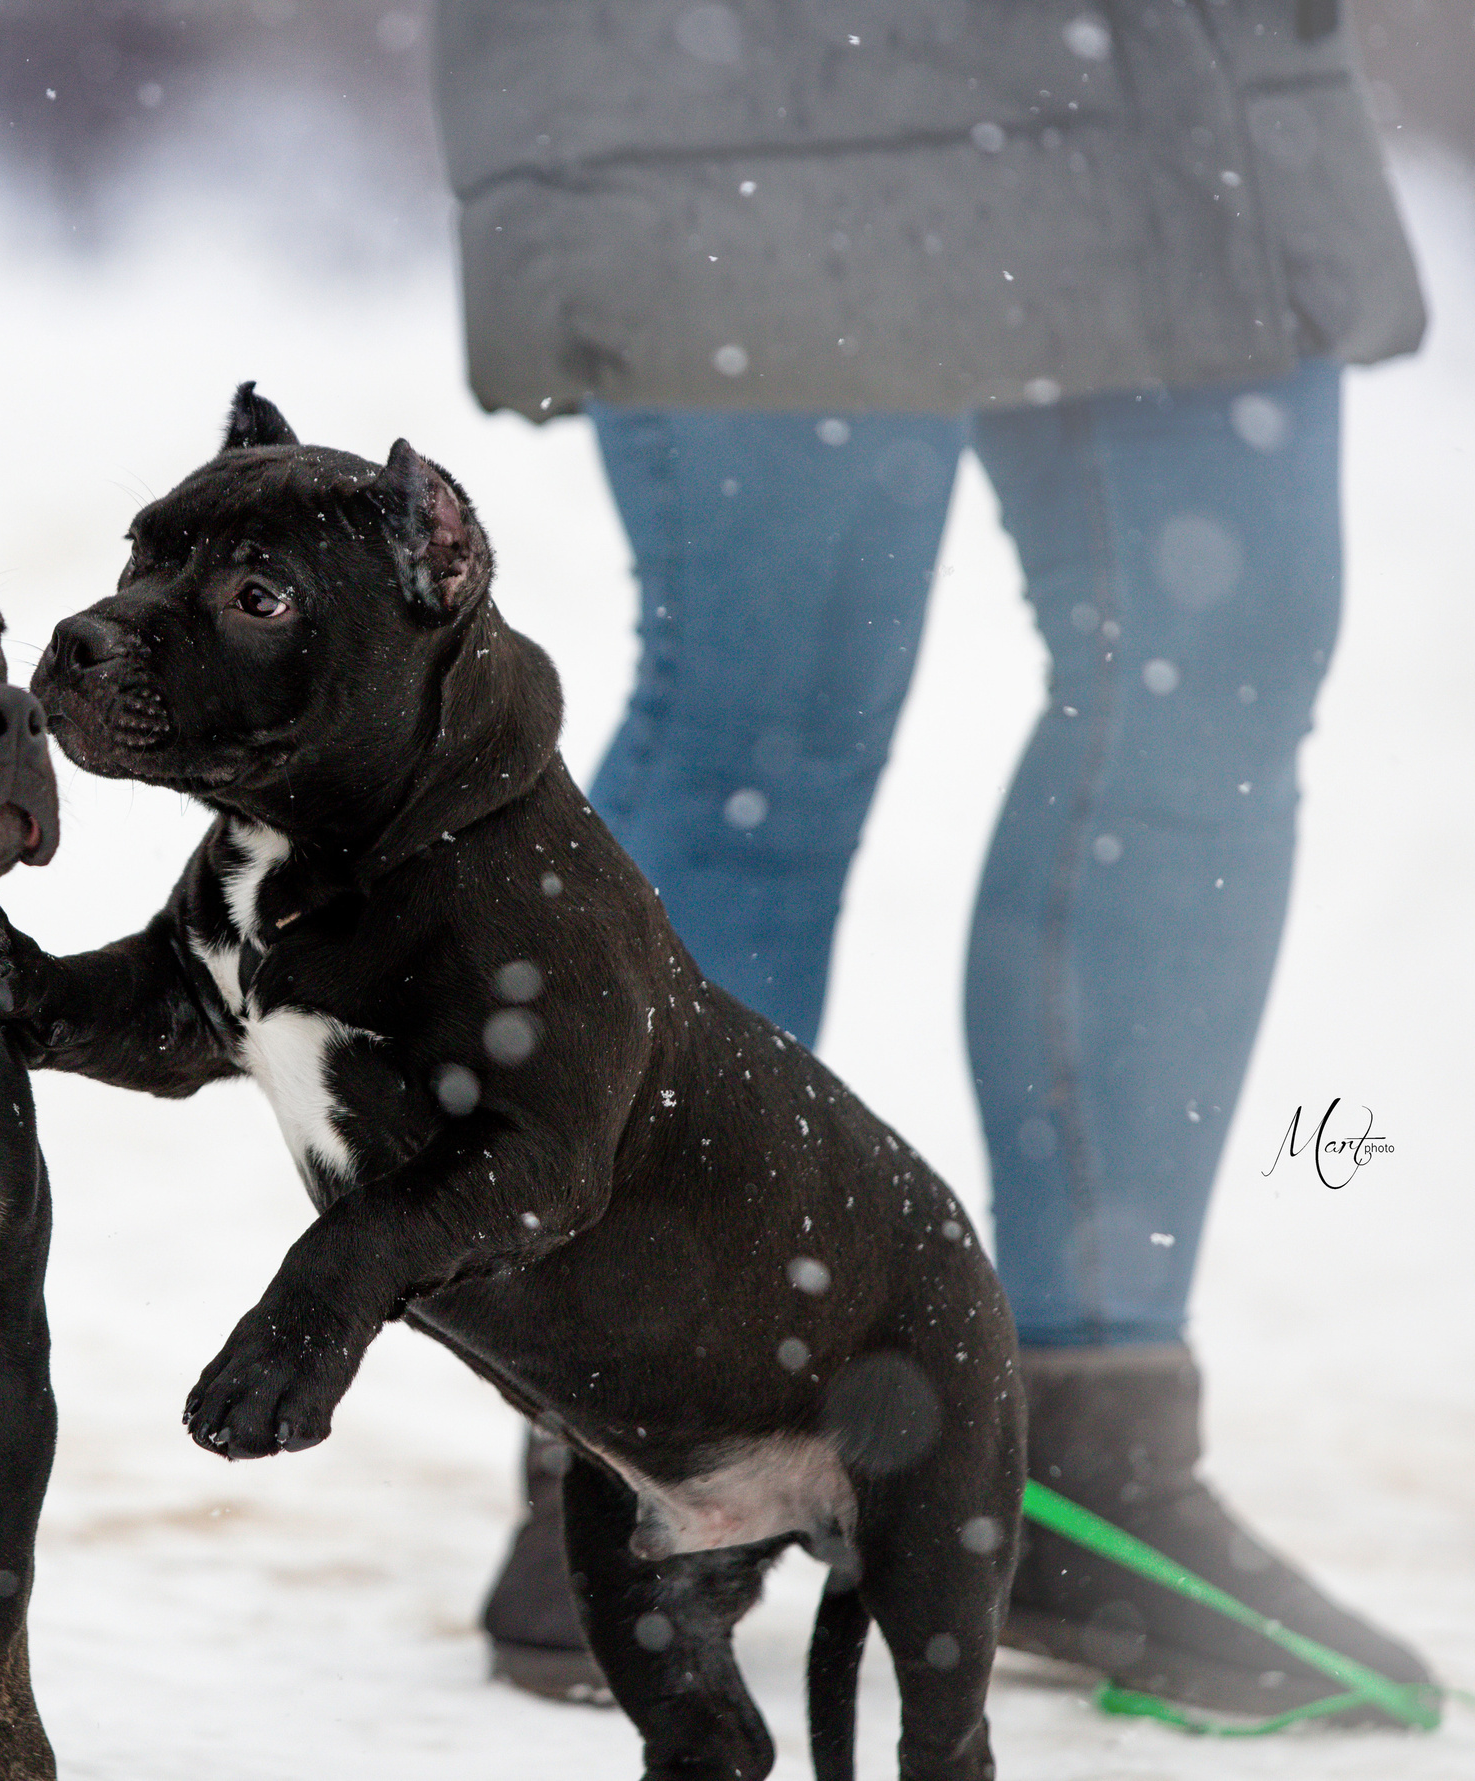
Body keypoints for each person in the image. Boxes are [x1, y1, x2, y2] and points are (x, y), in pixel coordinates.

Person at [431, 0, 1432, 1720]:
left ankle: (1082, 1439)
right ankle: (649, 1437)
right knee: (774, 699)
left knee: (1218, 663)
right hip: (753, 59)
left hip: (1166, 64)